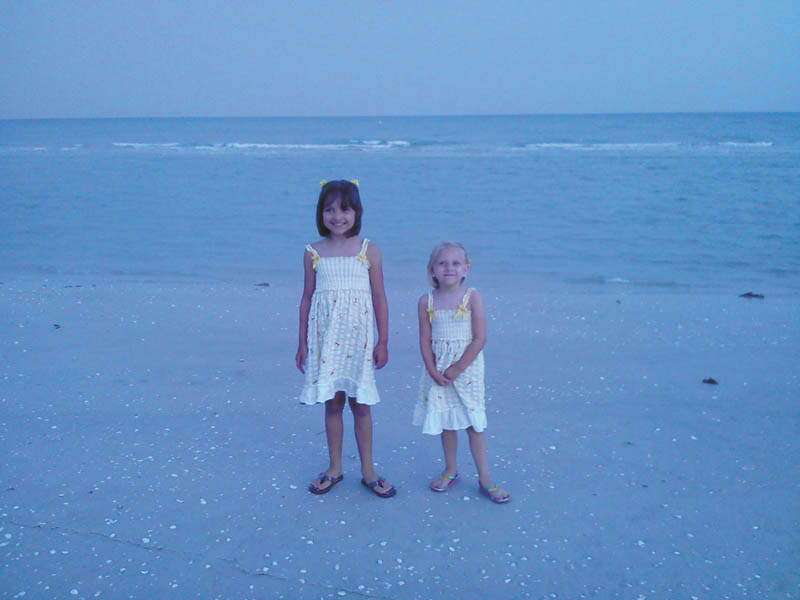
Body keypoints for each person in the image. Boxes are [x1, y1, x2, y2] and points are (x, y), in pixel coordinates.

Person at [296, 179, 396, 498]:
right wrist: (302, 344)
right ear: (320, 214)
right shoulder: (313, 252)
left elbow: (379, 298)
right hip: (326, 341)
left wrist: (383, 341)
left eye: (344, 209)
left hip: (359, 341)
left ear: (357, 212)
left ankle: (368, 470)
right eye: (329, 210)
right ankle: (335, 467)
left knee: (361, 405)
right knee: (333, 404)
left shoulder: (369, 250)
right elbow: (307, 299)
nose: (337, 216)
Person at [413, 242, 510, 503]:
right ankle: (450, 469)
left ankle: (485, 477)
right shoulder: (426, 301)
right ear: (432, 270)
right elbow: (424, 340)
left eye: (456, 263)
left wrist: (458, 368)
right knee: (447, 420)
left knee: (473, 423)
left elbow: (479, 338)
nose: (449, 268)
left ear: (466, 269)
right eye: (442, 263)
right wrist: (433, 370)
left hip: (467, 369)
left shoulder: (472, 297)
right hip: (438, 371)